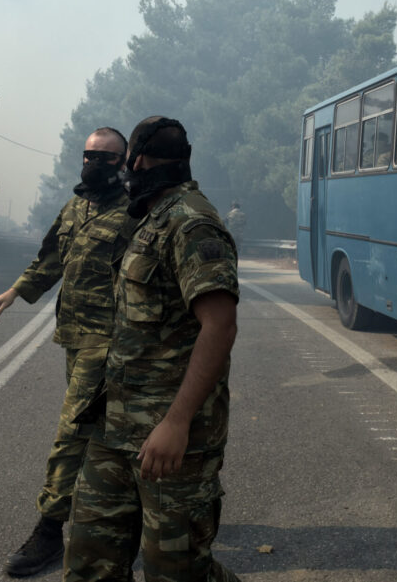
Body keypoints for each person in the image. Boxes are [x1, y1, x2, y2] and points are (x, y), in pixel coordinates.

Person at [66, 116, 241, 582]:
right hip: (115, 428)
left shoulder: (191, 223)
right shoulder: (149, 216)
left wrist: (177, 423)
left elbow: (220, 325)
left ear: (137, 161)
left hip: (169, 439)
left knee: (177, 572)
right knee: (88, 561)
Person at [0, 128, 133, 577]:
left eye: (108, 157)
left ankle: (49, 530)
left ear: (124, 162)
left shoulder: (135, 212)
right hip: (74, 337)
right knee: (100, 432)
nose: (96, 162)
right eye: (90, 154)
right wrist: (14, 292)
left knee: (72, 432)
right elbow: (51, 258)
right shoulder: (76, 207)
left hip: (110, 343)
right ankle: (120, 513)